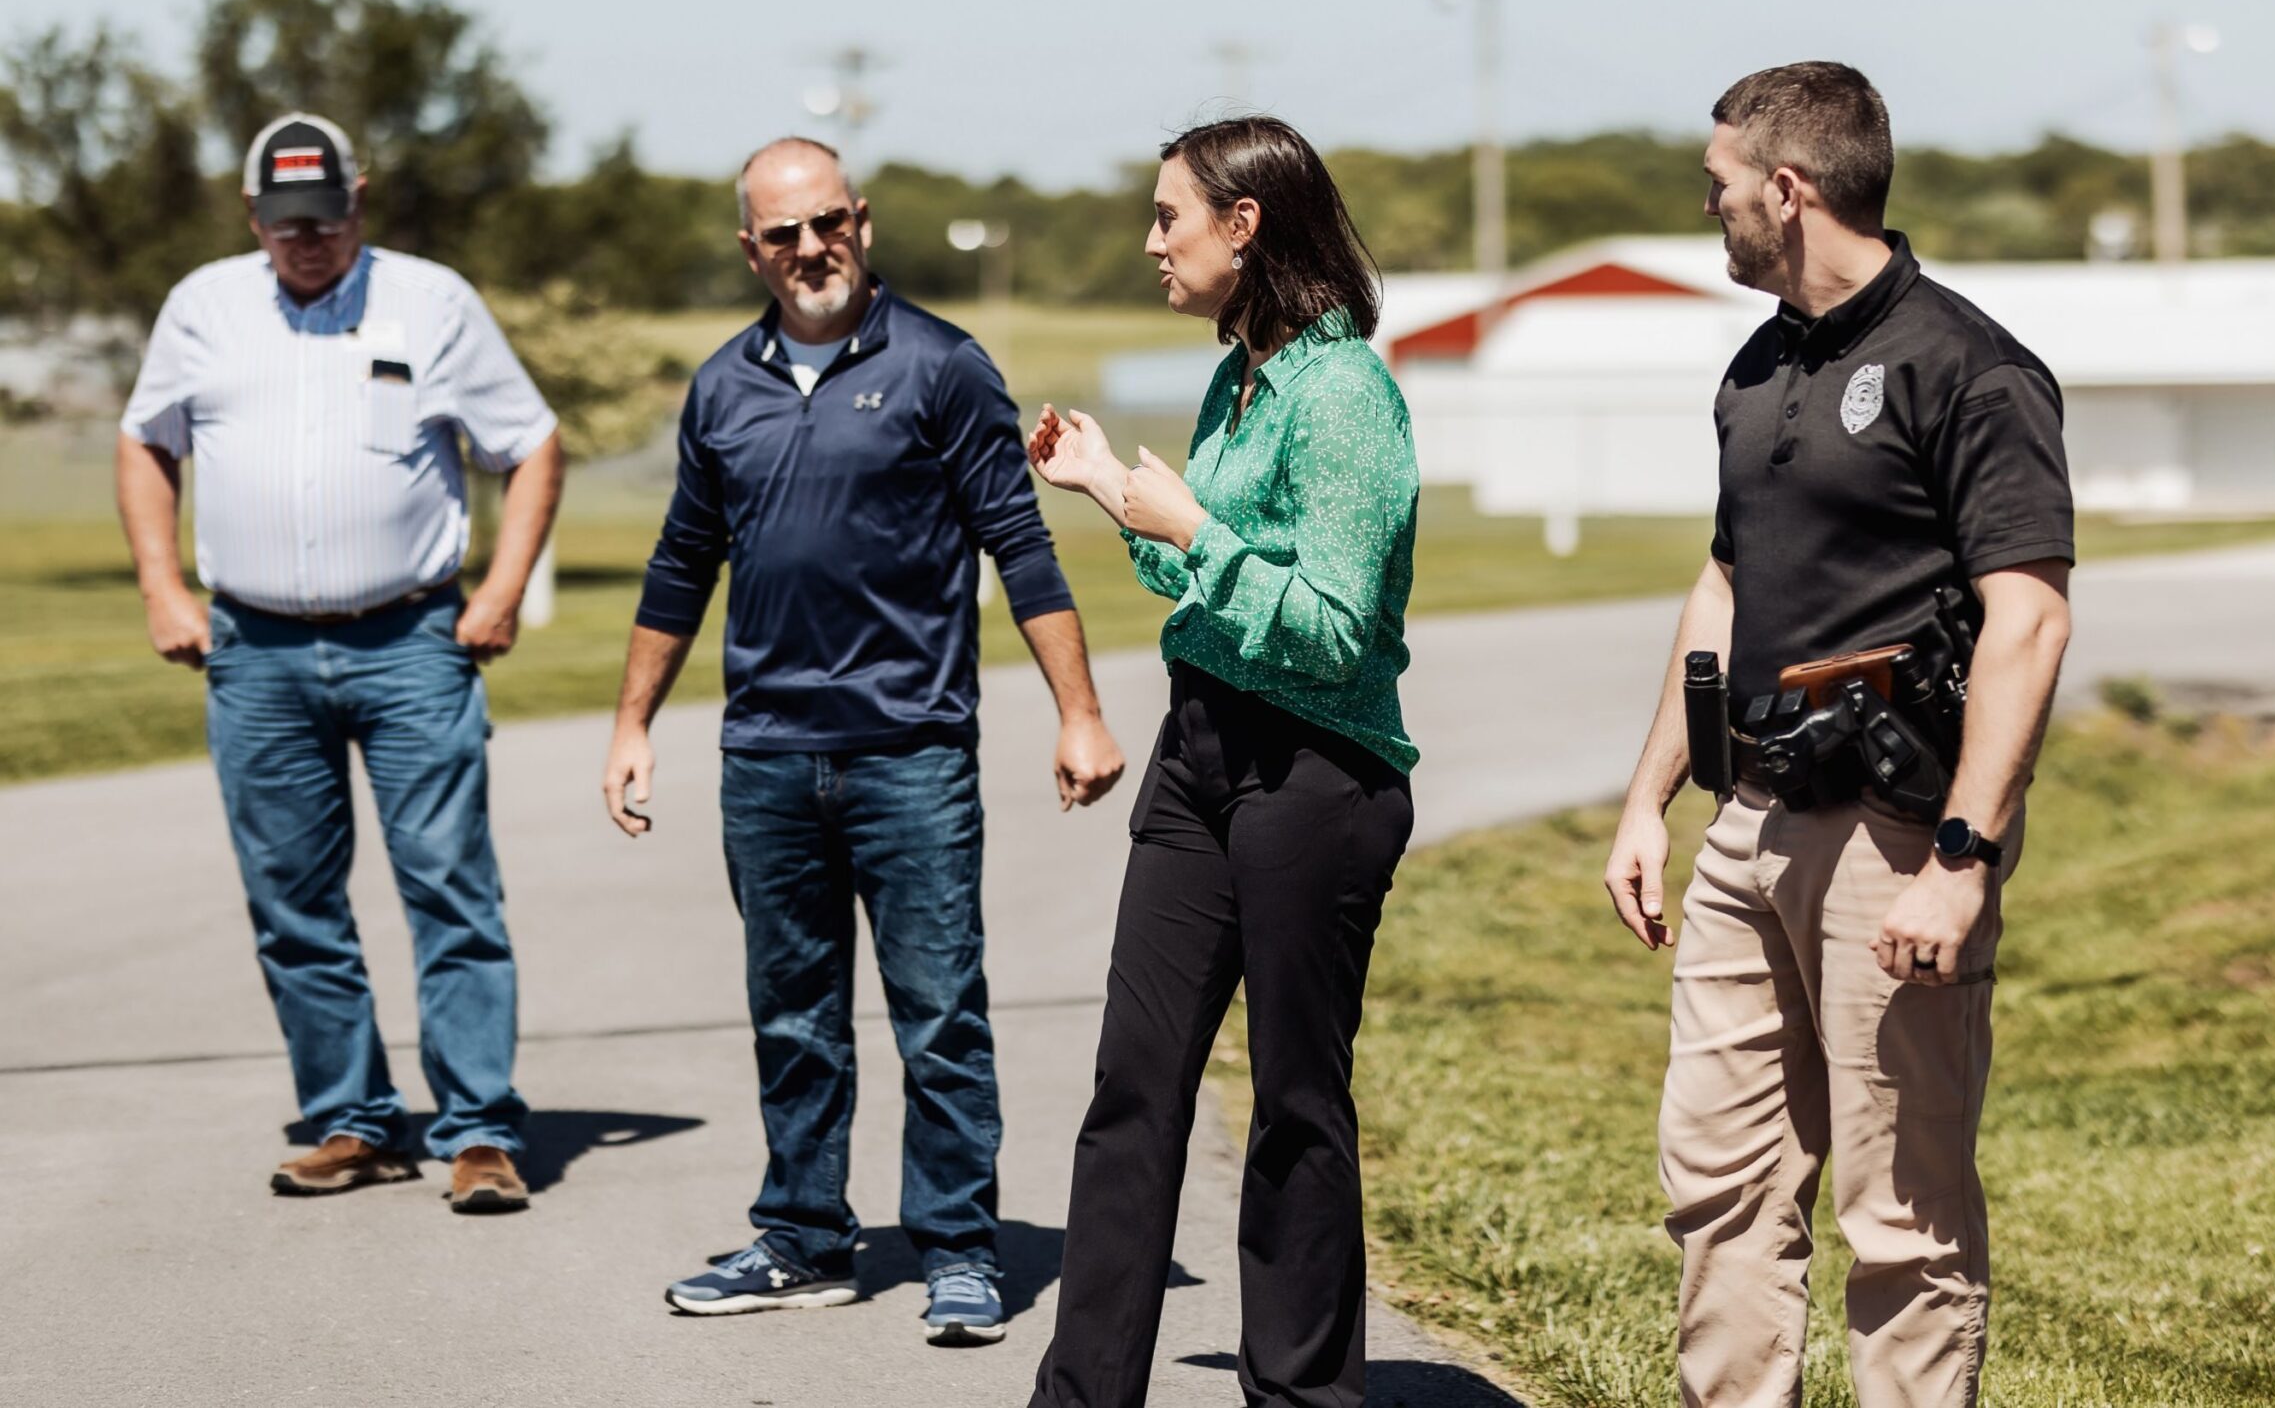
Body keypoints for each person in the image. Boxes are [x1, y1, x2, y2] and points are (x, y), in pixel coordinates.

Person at [1603, 63, 2075, 1407]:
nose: (1714, 213)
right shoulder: (1757, 367)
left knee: (1899, 1211)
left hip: (1894, 831)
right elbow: (1725, 586)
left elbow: (2028, 621)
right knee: (1719, 1186)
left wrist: (1964, 853)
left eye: (1721, 191)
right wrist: (1651, 797)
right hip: (1748, 818)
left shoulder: (1968, 366)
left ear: (1788, 190)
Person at [603, 136, 1126, 1339]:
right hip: (768, 757)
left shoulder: (943, 366)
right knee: (792, 1011)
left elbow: (1020, 544)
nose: (809, 248)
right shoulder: (721, 386)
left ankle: (958, 1249)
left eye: (826, 222)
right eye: (781, 233)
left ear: (863, 223)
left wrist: (1080, 711)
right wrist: (632, 723)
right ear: (751, 248)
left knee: (937, 1008)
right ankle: (802, 1238)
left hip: (911, 753)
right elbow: (683, 563)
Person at [1022, 116, 1420, 1408]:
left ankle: (1302, 1394)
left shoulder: (1345, 389)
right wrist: (1107, 493)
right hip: (1201, 754)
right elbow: (1204, 588)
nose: (1152, 242)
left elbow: (1339, 628)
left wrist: (1194, 526)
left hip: (1316, 772)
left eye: (1168, 217)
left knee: (1297, 1106)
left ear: (1244, 225)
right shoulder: (1237, 379)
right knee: (1131, 1089)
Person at [115, 112, 564, 1215]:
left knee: (450, 889)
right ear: (252, 215)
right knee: (293, 901)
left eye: (324, 218)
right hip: (255, 646)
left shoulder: (433, 300)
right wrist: (163, 586)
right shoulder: (203, 307)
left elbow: (531, 441)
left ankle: (476, 1131)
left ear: (359, 200)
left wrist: (502, 590)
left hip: (410, 640)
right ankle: (353, 1119)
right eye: (284, 223)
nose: (305, 240)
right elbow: (145, 439)